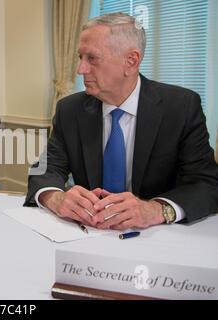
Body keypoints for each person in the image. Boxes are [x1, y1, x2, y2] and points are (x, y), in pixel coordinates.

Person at [24, 13, 218, 230]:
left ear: (131, 61)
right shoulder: (70, 109)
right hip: (87, 234)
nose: (81, 70)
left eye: (92, 58)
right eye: (80, 57)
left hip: (156, 237)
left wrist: (156, 209)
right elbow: (45, 170)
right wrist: (55, 197)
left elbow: (206, 184)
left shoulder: (180, 107)